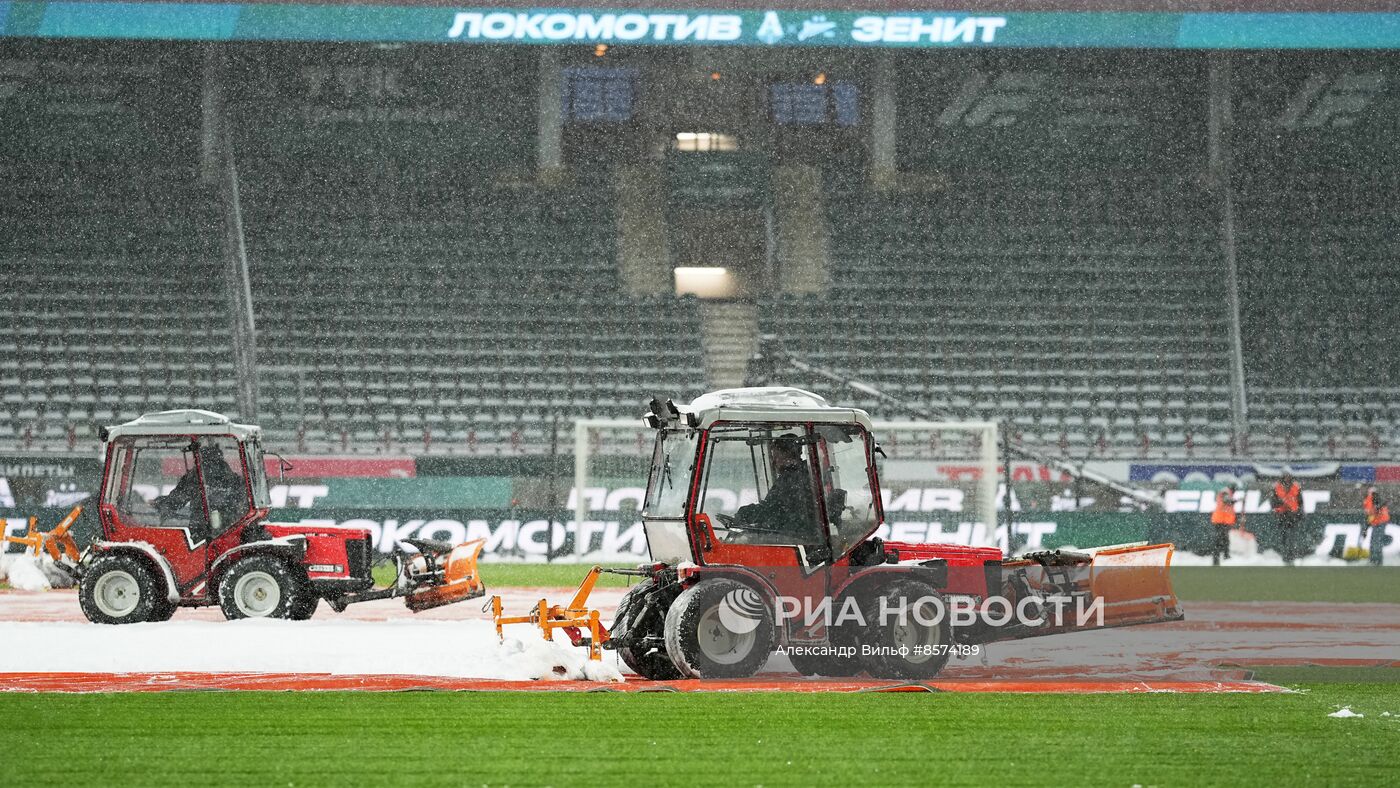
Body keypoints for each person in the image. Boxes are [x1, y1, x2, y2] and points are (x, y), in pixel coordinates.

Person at [735, 436, 818, 542]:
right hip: (796, 532)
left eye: (776, 456)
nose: (773, 462)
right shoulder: (803, 473)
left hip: (794, 536)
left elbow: (773, 510)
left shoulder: (791, 479)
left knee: (744, 542)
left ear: (787, 455)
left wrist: (744, 513)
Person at [155, 440, 247, 537]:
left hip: (201, 526)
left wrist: (162, 504)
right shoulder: (230, 475)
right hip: (230, 527)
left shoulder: (196, 474)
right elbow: (243, 499)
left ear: (199, 457)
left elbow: (178, 498)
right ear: (220, 457)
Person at [1271, 472, 1303, 566]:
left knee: (1292, 536)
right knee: (1284, 536)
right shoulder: (1277, 488)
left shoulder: (1296, 487)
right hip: (1282, 515)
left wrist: (1299, 513)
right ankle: (1284, 555)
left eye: (1288, 478)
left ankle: (1291, 555)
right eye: (1285, 478)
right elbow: (1273, 502)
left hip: (1293, 515)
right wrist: (1281, 503)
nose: (1287, 480)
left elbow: (1300, 502)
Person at [1210, 485, 1239, 566]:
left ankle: (1225, 556)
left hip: (1224, 522)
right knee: (1219, 540)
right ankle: (1217, 559)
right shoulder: (1225, 492)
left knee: (1225, 539)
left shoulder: (1227, 493)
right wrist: (1237, 500)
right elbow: (1227, 501)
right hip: (1220, 521)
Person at [1363, 486, 1390, 567]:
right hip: (1376, 522)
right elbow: (1369, 515)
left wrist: (1366, 528)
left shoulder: (1374, 499)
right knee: (1374, 541)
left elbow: (1381, 503)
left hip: (1381, 521)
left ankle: (1377, 561)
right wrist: (1366, 529)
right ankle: (1374, 560)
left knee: (1377, 541)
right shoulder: (1369, 500)